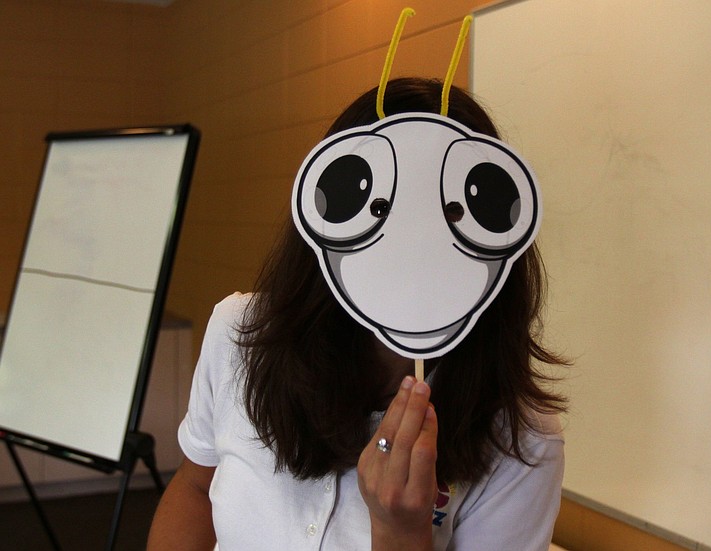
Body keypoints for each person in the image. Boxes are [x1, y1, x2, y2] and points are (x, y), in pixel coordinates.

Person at [147, 77, 569, 551]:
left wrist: (401, 532)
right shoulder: (239, 336)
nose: (414, 242)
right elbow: (196, 486)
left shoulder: (523, 441)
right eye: (384, 207)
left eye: (450, 211)